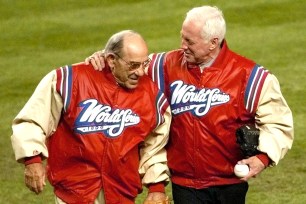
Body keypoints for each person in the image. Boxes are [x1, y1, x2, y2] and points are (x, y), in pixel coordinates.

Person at [85, 6, 294, 204]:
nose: (182, 45)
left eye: (189, 41)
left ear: (213, 42)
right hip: (185, 185)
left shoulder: (250, 76)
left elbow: (278, 122)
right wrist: (104, 60)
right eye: (182, 37)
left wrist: (262, 158)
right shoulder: (162, 66)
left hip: (231, 184)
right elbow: (126, 66)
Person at [11, 30, 172, 204]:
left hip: (121, 193)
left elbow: (155, 145)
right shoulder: (69, 80)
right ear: (111, 60)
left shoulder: (150, 94)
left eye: (144, 64)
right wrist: (32, 159)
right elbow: (32, 119)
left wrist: (157, 188)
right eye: (133, 65)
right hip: (74, 192)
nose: (140, 72)